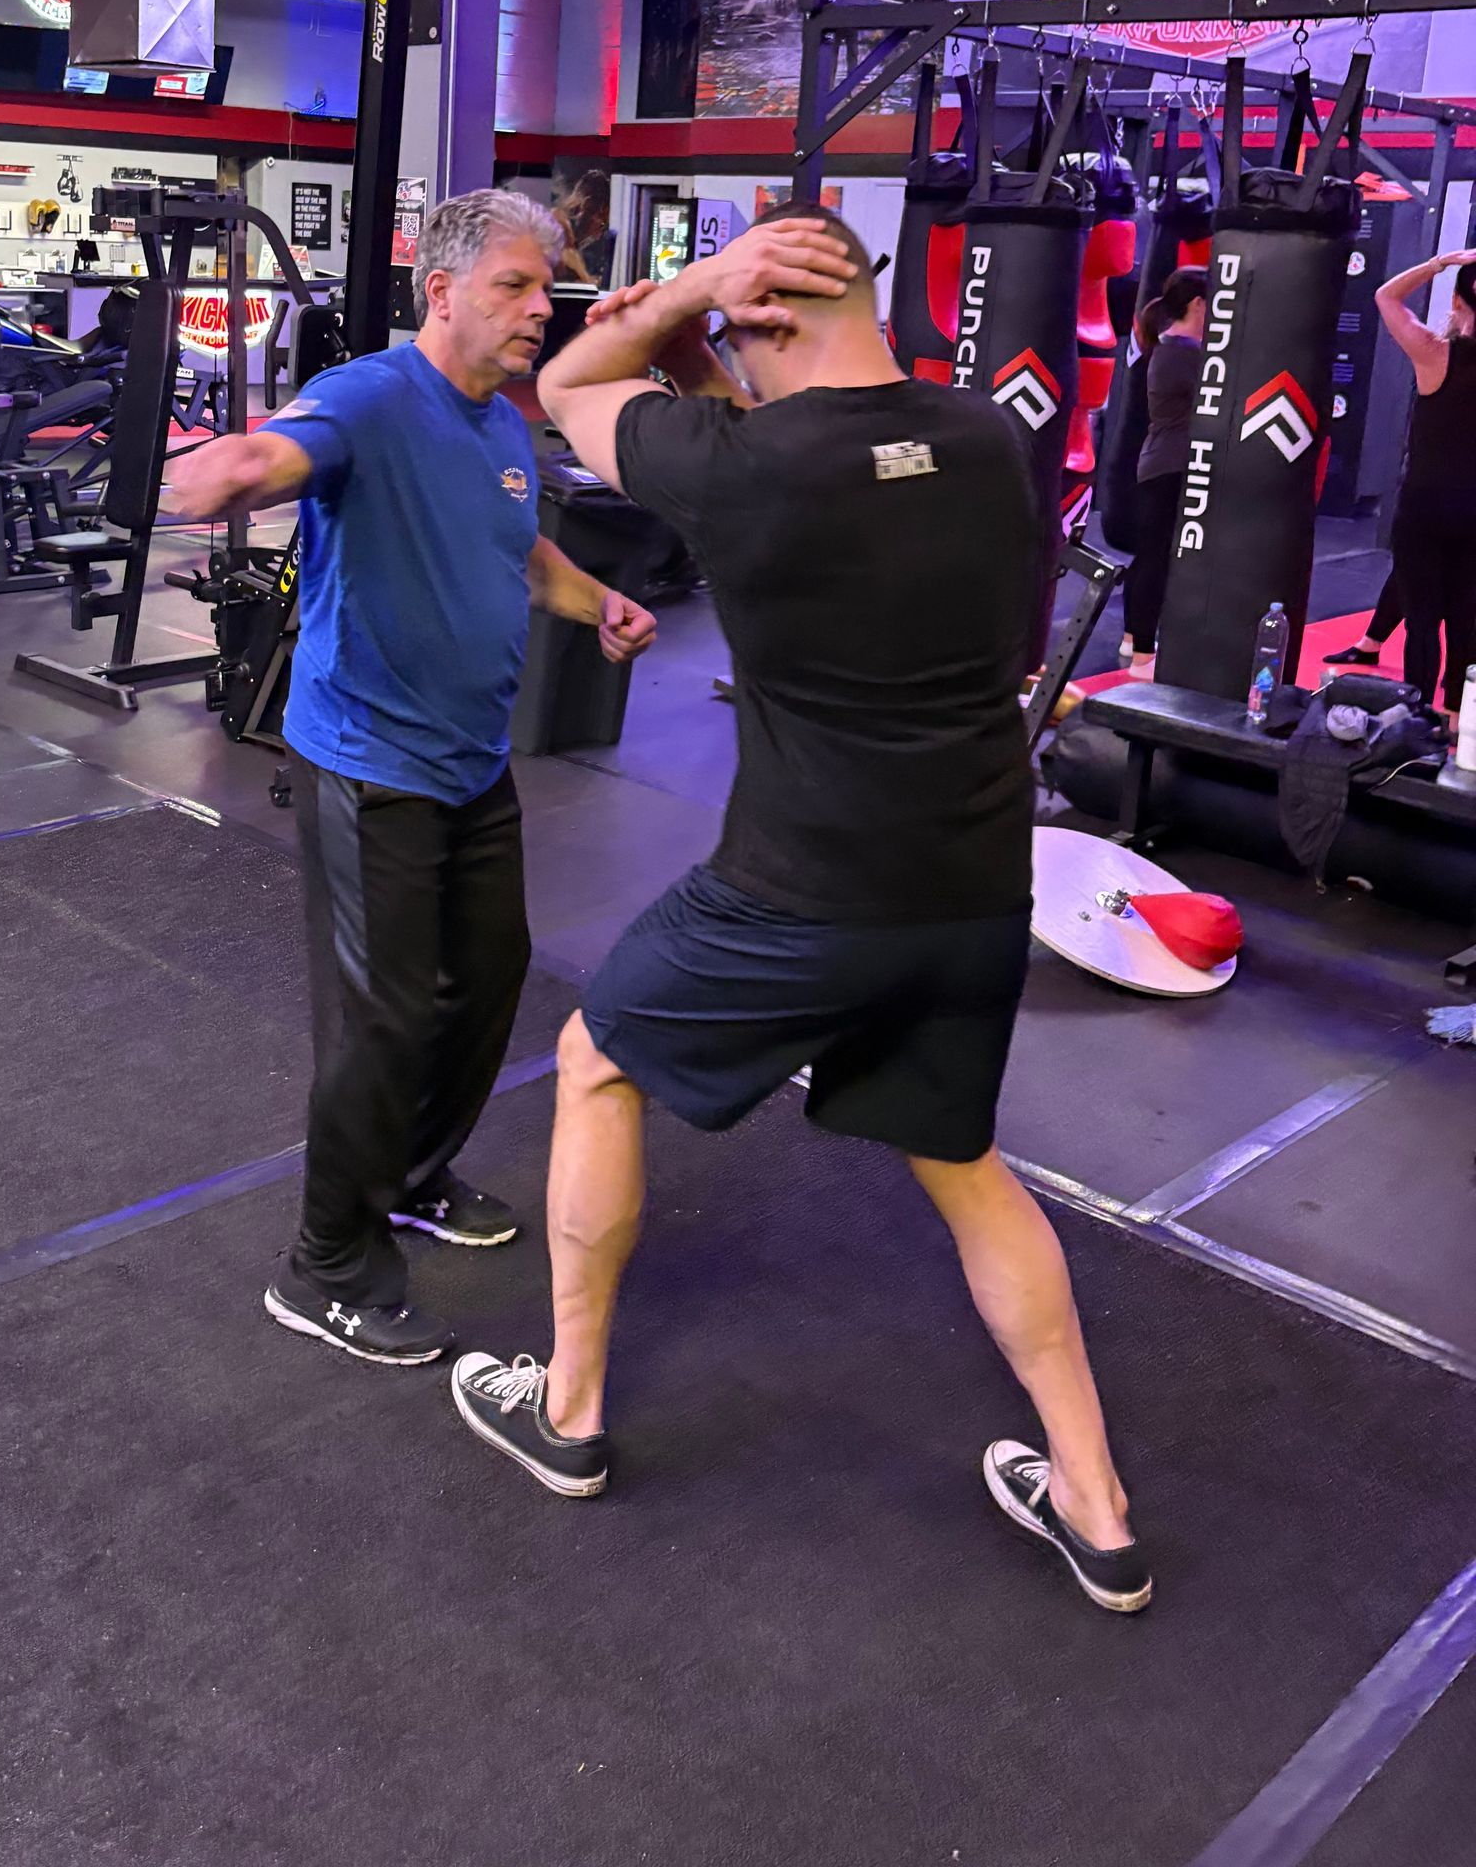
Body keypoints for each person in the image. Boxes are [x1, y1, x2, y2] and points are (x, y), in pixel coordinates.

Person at [449, 206, 1151, 1617]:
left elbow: (573, 382)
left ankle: (567, 1416)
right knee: (962, 1161)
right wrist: (720, 334)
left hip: (795, 898)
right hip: (968, 894)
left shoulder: (749, 468)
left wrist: (689, 295)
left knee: (597, 1063)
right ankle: (1097, 1503)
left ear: (763, 305)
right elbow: (818, 442)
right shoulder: (982, 441)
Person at [176, 187, 657, 1365]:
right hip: (365, 763)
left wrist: (595, 600)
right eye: (515, 287)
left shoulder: (503, 419)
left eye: (547, 290)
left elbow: (514, 543)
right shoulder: (375, 393)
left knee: (487, 984)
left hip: (469, 761)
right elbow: (292, 449)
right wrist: (234, 469)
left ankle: (408, 1174)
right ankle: (326, 1259)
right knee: (382, 1016)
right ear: (441, 292)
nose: (540, 309)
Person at [1375, 247, 1476, 725]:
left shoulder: (1435, 354)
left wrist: (1439, 263)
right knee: (1465, 620)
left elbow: (1386, 296)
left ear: (1457, 302)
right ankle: (1457, 714)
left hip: (1423, 508)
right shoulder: (1438, 354)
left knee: (1423, 621)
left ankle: (1417, 716)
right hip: (1472, 510)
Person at [1120, 267, 1207, 676]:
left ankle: (1131, 638)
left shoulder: (1175, 347)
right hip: (1169, 465)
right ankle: (1141, 652)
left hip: (1163, 463)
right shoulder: (1180, 352)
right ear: (1198, 304)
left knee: (1152, 556)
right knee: (1156, 558)